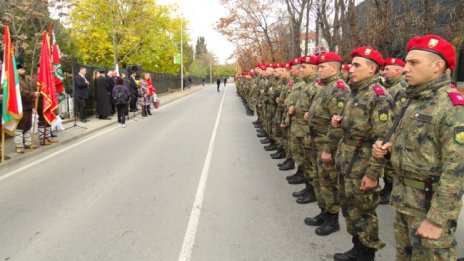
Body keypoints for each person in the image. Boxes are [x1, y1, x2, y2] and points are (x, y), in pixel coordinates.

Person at [372, 34, 463, 261]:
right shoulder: (413, 100)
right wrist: (387, 150)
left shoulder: (451, 106)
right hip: (405, 199)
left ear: (437, 66)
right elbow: (420, 148)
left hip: (429, 205)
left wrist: (437, 219)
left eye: (414, 63)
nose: (405, 69)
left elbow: (457, 169)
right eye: (406, 63)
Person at [331, 46, 394, 260]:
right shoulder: (357, 92)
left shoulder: (379, 97)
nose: (351, 69)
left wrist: (373, 174)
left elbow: (383, 142)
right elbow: (357, 125)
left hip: (363, 165)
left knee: (363, 211)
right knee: (350, 209)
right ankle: (357, 248)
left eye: (357, 65)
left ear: (371, 69)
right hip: (347, 161)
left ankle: (367, 253)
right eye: (352, 65)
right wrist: (340, 123)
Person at [304, 52, 351, 236]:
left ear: (333, 68)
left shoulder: (339, 89)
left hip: (327, 143)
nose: (319, 69)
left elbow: (338, 124)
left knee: (329, 182)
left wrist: (328, 149)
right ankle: (323, 212)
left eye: (322, 66)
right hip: (317, 141)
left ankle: (332, 219)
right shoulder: (325, 86)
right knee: (319, 180)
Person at [14, 64, 40, 153]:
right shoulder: (15, 80)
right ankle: (19, 146)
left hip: (28, 106)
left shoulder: (25, 80)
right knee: (20, 126)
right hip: (21, 106)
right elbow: (20, 92)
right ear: (16, 70)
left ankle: (28, 143)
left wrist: (33, 95)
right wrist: (33, 94)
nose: (24, 70)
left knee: (28, 126)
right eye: (21, 69)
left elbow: (30, 89)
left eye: (24, 69)